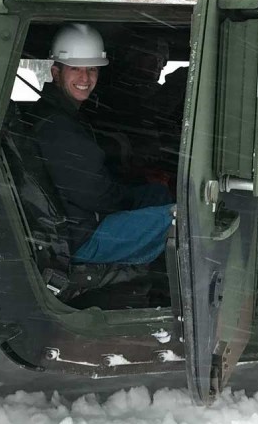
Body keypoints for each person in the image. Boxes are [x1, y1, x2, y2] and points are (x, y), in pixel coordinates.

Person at [28, 23, 174, 265]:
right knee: (179, 219)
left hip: (78, 219)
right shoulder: (58, 127)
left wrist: (137, 185)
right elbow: (97, 196)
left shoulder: (64, 115)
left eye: (92, 69)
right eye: (75, 68)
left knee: (156, 193)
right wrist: (130, 203)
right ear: (56, 73)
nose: (85, 78)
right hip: (81, 237)